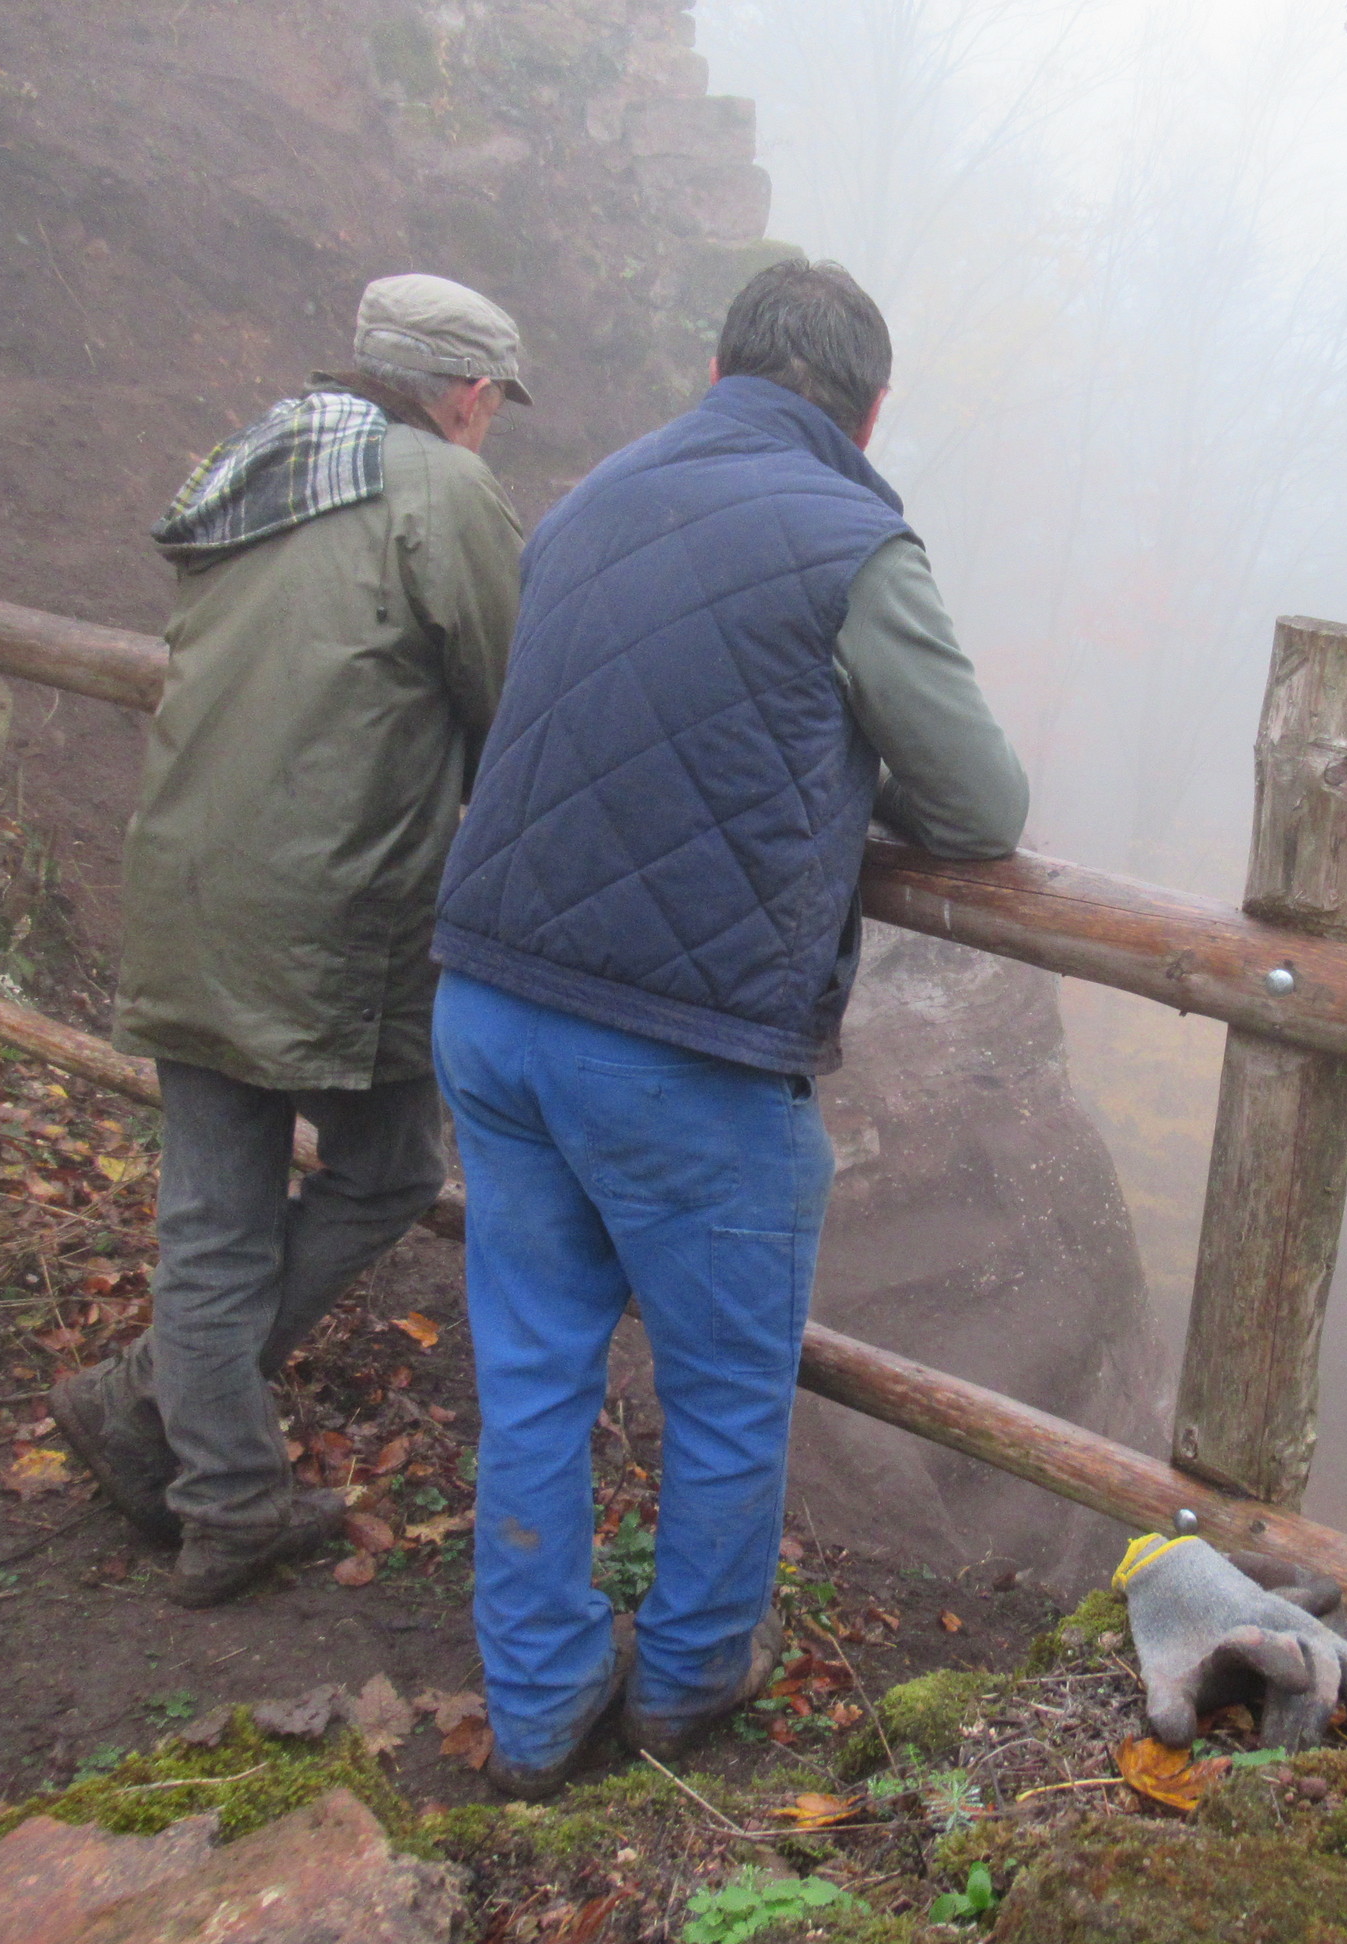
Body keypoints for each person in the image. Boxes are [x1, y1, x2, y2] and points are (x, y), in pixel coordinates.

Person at [429, 259, 1028, 1798]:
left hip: (489, 998)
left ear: (718, 374)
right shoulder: (853, 540)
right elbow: (980, 805)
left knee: (536, 1368)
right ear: (870, 413)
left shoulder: (585, 502)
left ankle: (538, 1708)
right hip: (677, 1043)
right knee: (724, 1386)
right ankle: (692, 1684)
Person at [52, 274, 529, 1609]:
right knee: (387, 1168)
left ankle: (208, 1476)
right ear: (468, 393)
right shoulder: (444, 489)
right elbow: (515, 698)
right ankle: (176, 1430)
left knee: (212, 1219)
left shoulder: (257, 457)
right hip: (331, 907)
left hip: (186, 875)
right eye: (498, 401)